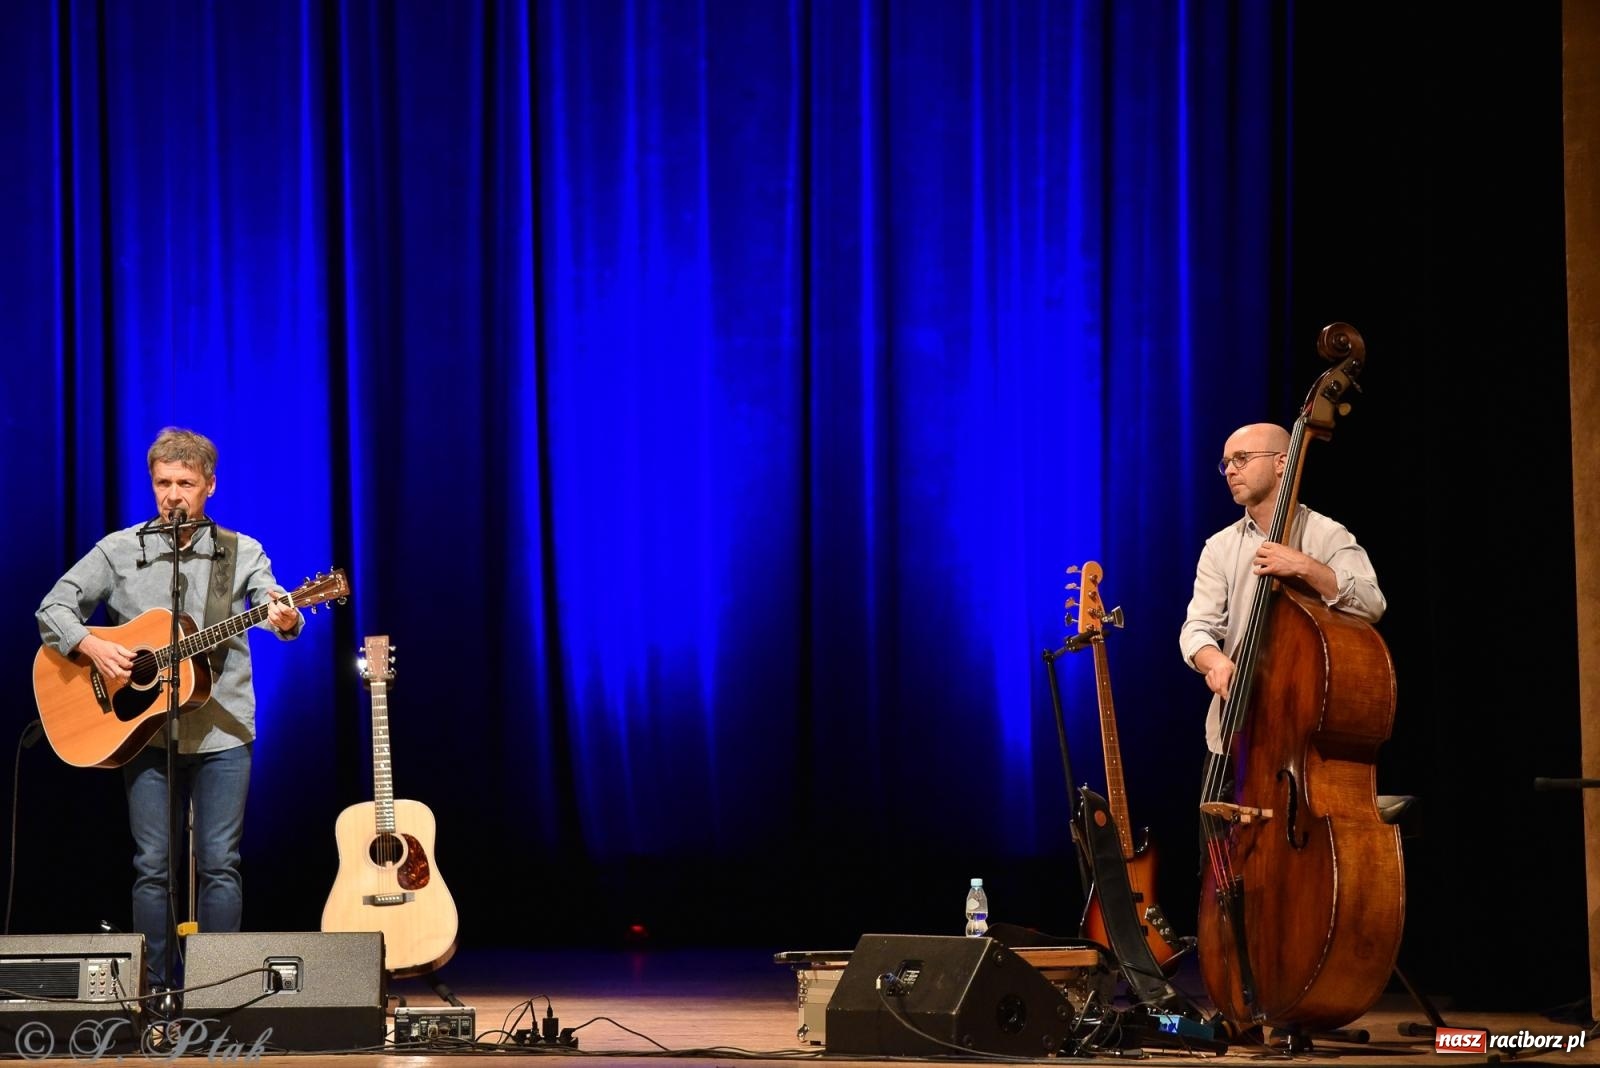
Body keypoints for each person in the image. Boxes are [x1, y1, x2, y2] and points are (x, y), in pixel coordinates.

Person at [36, 427, 301, 991]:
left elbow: (272, 601)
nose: (172, 494)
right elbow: (54, 607)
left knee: (219, 862)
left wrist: (286, 613)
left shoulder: (241, 551)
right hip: (144, 733)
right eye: (163, 482)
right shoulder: (120, 549)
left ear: (208, 485)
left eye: (185, 483)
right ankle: (155, 991)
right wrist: (91, 645)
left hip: (223, 730)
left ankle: (218, 987)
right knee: (151, 865)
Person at [1178, 422, 1385, 757]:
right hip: (1234, 735)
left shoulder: (1327, 534)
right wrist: (1214, 661)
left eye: (1241, 459)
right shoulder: (1219, 547)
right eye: (1226, 463)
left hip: (1306, 731)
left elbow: (1372, 603)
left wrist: (1306, 566)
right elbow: (1197, 627)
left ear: (1281, 463)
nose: (1230, 470)